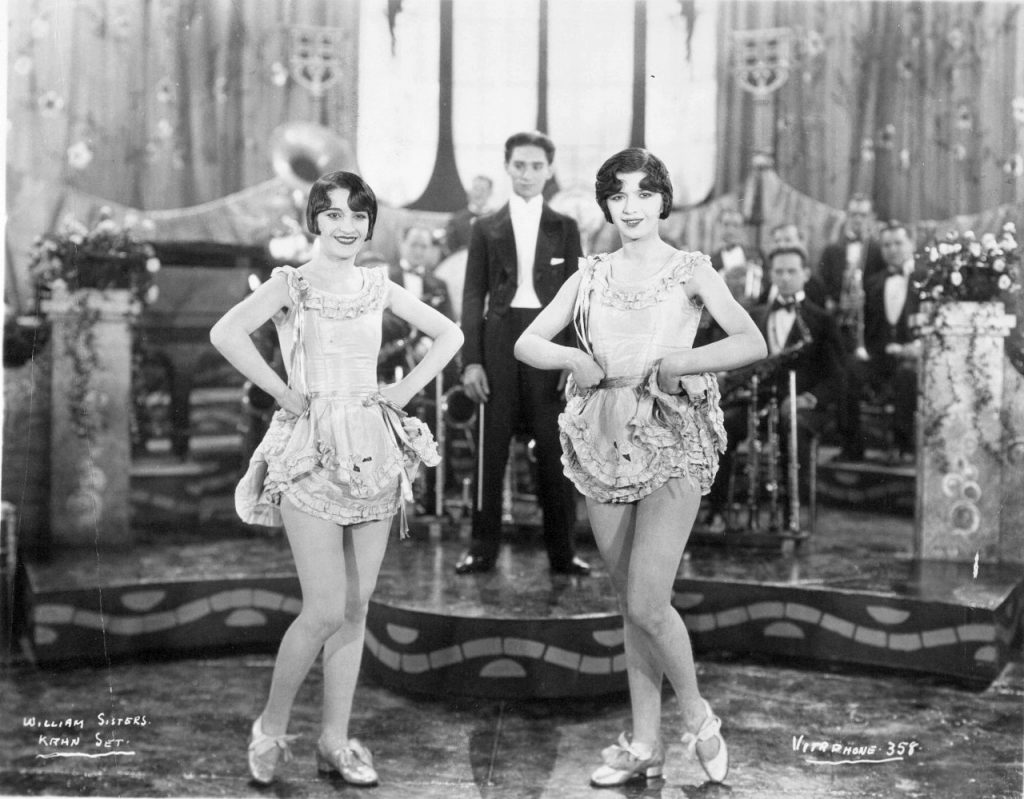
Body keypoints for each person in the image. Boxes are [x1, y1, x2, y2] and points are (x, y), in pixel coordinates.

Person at [515, 148, 766, 786]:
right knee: (631, 603)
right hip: (602, 435)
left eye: (644, 194)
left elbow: (751, 340)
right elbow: (527, 341)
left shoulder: (690, 269)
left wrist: (683, 362)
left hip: (671, 434)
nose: (631, 207)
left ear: (662, 201)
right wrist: (573, 360)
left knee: (650, 601)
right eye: (619, 195)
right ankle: (645, 742)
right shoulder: (589, 274)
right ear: (606, 204)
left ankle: (698, 716)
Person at [209, 171, 462, 787]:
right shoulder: (291, 284)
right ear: (315, 221)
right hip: (311, 449)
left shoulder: (378, 285)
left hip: (373, 447)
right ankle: (270, 727)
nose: (346, 226)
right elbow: (225, 333)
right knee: (323, 607)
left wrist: (404, 390)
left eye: (357, 215)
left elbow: (450, 334)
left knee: (355, 606)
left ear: (369, 225)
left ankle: (335, 740)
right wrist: (282, 392)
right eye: (333, 214)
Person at [456, 130, 589, 576]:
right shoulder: (484, 227)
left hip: (548, 342)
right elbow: (472, 295)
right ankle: (481, 549)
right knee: (490, 450)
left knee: (555, 449)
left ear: (549, 170)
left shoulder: (565, 227)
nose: (527, 174)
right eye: (519, 165)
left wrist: (571, 356)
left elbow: (578, 297)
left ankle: (563, 552)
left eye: (536, 166)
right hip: (498, 342)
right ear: (507, 167)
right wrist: (472, 361)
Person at [705, 247, 845, 532]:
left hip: (801, 404)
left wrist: (810, 398)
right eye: (779, 271)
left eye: (792, 271)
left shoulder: (822, 319)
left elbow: (838, 376)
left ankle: (791, 513)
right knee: (722, 426)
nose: (785, 277)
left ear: (806, 274)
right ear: (771, 275)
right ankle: (717, 511)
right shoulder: (755, 315)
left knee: (793, 427)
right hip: (758, 400)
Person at [848, 220, 923, 460]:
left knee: (907, 374)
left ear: (912, 244)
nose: (892, 250)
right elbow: (868, 329)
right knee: (849, 369)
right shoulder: (872, 283)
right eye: (887, 245)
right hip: (881, 358)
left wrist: (918, 347)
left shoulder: (926, 279)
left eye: (898, 243)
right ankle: (852, 447)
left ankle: (901, 446)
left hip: (913, 357)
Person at [445, 174, 494, 255]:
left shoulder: (497, 219)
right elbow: (451, 249)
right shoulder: (457, 219)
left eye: (483, 190)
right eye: (475, 189)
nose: (478, 193)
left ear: (490, 192)